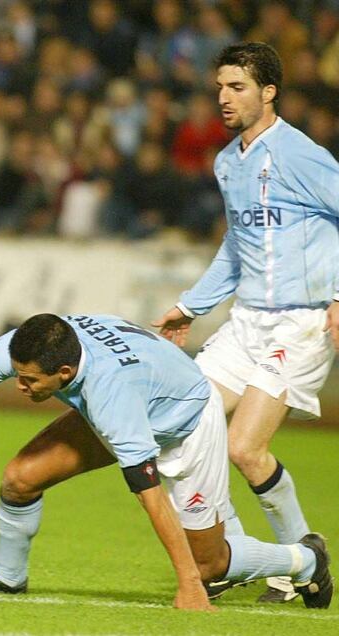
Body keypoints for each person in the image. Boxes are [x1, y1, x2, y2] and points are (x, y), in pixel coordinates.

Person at [0, 313, 332, 610]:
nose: (20, 386)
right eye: (18, 375)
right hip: (139, 396)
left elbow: (149, 494)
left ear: (66, 372)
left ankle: (307, 559)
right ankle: (9, 581)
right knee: (20, 479)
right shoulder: (33, 343)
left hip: (184, 422)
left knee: (207, 565)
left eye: (31, 382)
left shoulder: (110, 395)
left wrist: (187, 585)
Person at [152, 42, 339, 603]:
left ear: (269, 92)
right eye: (220, 87)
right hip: (246, 322)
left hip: (301, 324)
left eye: (236, 87)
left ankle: (299, 563)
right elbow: (237, 249)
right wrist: (190, 306)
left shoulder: (303, 155)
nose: (224, 98)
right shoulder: (227, 161)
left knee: (242, 448)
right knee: (183, 426)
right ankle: (234, 551)